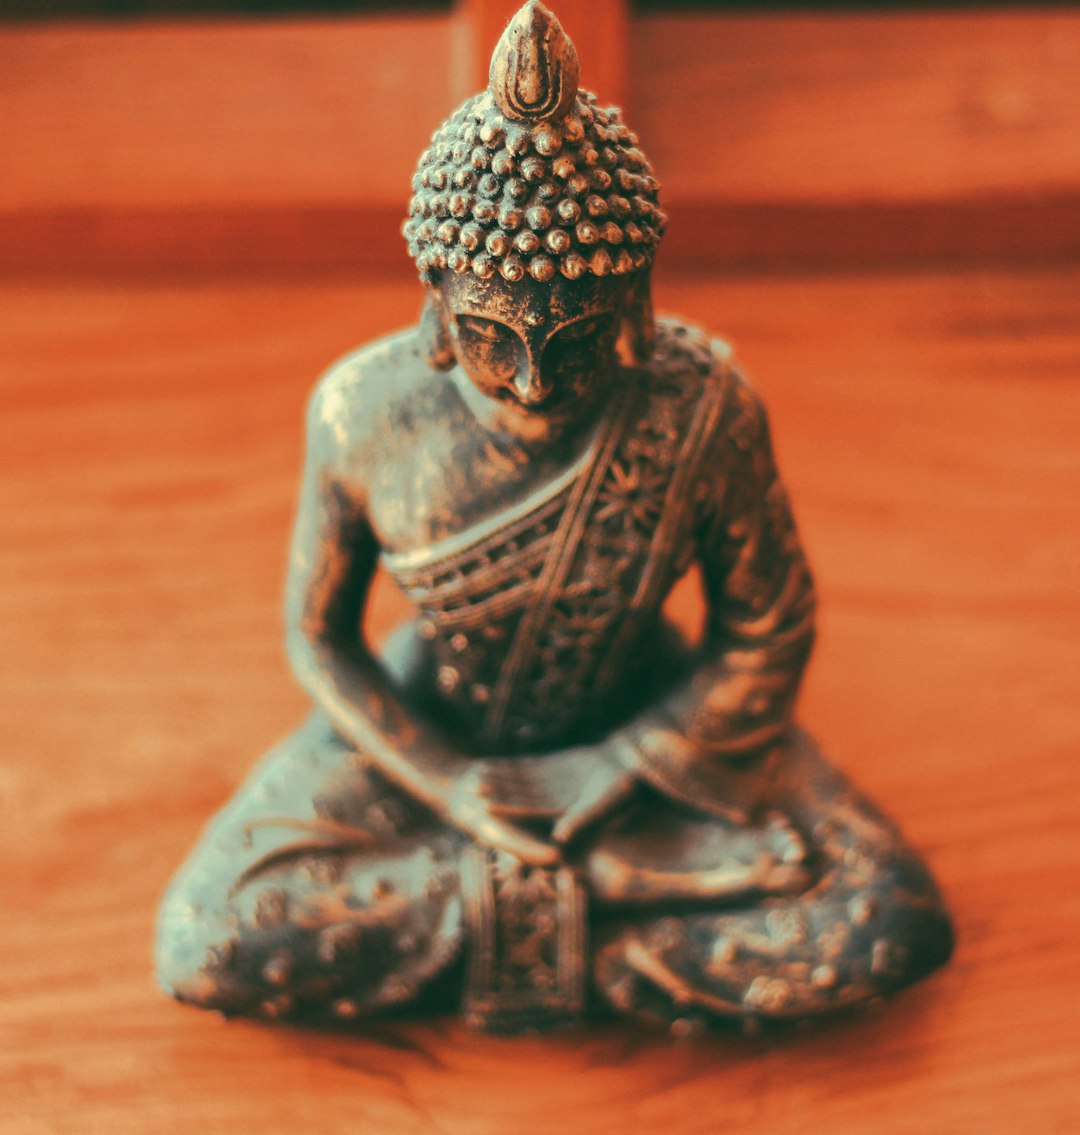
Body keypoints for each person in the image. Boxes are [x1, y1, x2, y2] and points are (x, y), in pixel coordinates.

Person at [157, 1, 951, 1034]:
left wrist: (615, 766)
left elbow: (771, 625)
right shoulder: (362, 413)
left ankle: (512, 905)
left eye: (574, 338)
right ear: (438, 302)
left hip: (648, 718)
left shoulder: (700, 409)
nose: (534, 383)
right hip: (435, 720)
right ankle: (619, 890)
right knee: (209, 934)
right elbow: (318, 636)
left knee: (885, 918)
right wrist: (452, 785)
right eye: (494, 337)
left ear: (633, 305)